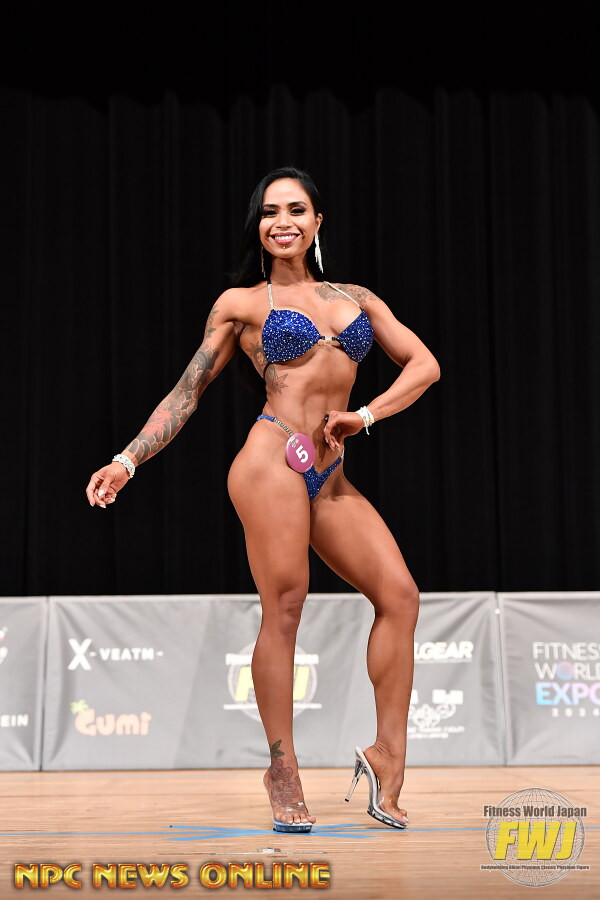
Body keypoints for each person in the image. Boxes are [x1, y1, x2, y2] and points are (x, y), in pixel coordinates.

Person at [85, 167, 440, 833]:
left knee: (400, 596)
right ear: (258, 227)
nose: (284, 221)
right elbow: (187, 391)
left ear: (316, 222)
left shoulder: (357, 298)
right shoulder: (241, 304)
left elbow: (425, 365)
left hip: (329, 474)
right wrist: (128, 459)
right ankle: (283, 769)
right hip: (271, 459)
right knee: (286, 607)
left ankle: (387, 757)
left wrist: (364, 416)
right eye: (271, 212)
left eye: (296, 210)